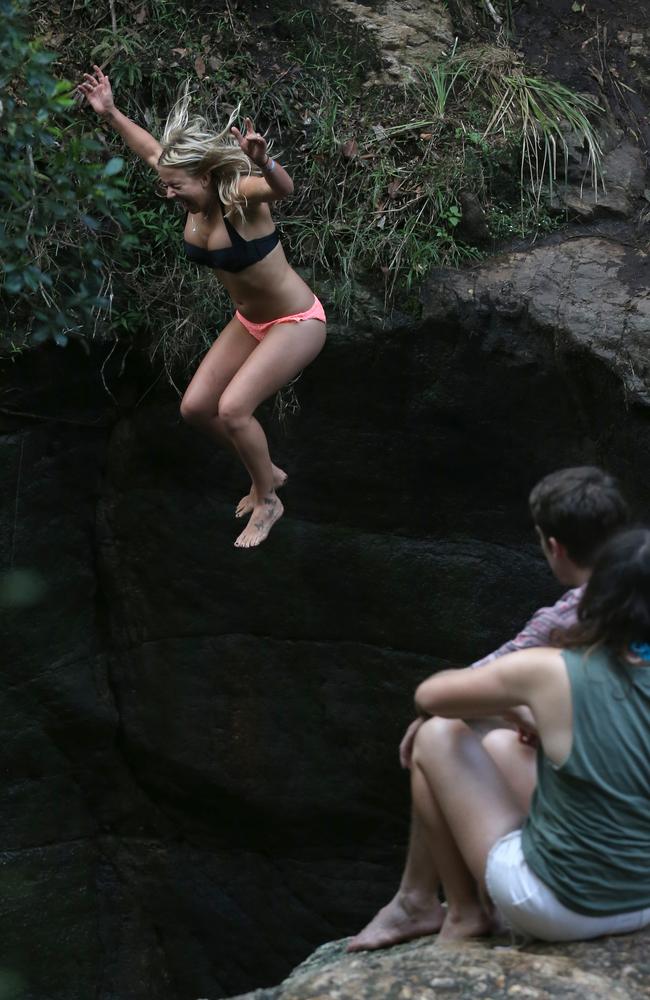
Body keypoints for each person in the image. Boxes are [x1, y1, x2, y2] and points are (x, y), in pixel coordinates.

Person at [348, 466, 630, 950]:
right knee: (497, 736)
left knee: (441, 733)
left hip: (579, 896)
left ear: (554, 547)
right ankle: (420, 901)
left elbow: (456, 688)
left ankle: (446, 907)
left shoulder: (566, 621)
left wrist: (460, 713)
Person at [78, 66, 326, 549]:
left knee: (234, 409)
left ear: (208, 177)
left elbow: (283, 189)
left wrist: (266, 161)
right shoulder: (189, 191)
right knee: (195, 409)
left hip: (296, 322)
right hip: (249, 321)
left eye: (176, 186)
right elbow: (152, 150)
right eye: (165, 185)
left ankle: (268, 496)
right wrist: (109, 112)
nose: (168, 193)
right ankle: (266, 469)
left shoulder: (240, 199)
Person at [388, 528, 650, 943]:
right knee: (498, 745)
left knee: (437, 735)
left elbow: (431, 695)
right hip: (645, 902)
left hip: (562, 909)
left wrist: (518, 709)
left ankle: (463, 913)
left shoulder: (552, 669)